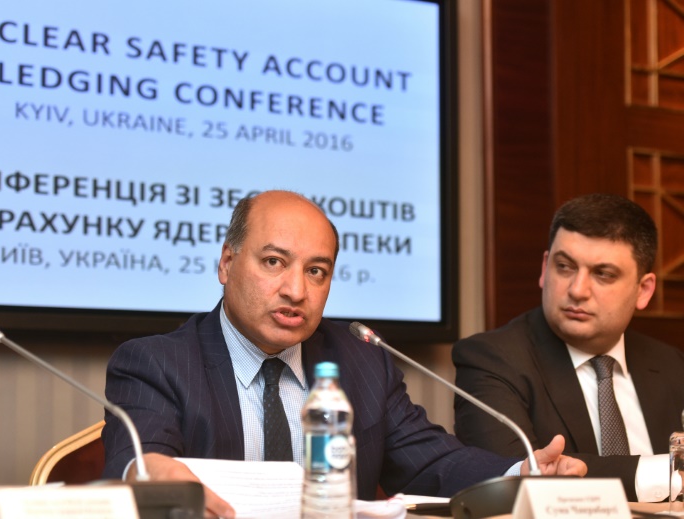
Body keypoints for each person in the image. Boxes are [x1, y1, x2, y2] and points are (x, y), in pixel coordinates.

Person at [102, 190, 586, 518]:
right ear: (227, 263)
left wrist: (521, 473)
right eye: (274, 262)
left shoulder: (363, 362)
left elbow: (432, 463)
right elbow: (137, 457)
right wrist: (150, 472)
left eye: (316, 271)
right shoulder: (158, 363)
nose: (296, 290)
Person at [453, 193, 684, 502]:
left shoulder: (671, 364)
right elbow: (512, 478)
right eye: (564, 267)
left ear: (643, 290)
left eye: (603, 274)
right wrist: (670, 473)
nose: (577, 290)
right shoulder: (491, 360)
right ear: (544, 267)